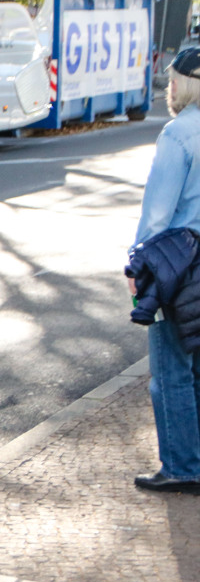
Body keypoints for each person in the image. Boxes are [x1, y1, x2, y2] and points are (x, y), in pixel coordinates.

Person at [128, 45, 200, 493]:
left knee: (170, 368)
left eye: (172, 78)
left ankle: (181, 465)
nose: (168, 86)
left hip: (178, 265)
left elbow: (157, 216)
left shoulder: (178, 135)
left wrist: (137, 264)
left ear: (185, 84)